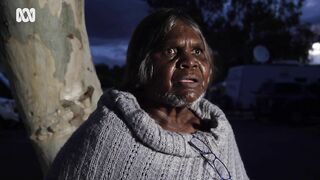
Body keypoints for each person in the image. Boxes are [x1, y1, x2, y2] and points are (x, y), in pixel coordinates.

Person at [46, 9, 249, 180]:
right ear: (141, 63)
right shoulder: (107, 134)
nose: (190, 61)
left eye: (197, 51)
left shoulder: (217, 129)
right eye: (171, 51)